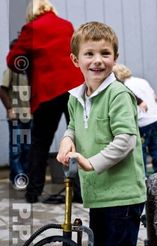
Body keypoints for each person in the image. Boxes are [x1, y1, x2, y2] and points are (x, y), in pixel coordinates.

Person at [57, 21, 146, 246]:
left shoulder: (118, 95)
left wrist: (91, 162)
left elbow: (126, 141)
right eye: (90, 54)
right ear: (75, 60)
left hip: (122, 195)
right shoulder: (75, 97)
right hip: (99, 195)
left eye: (105, 54)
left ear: (115, 58)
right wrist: (67, 139)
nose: (98, 60)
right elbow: (73, 126)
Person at [7, 0, 84, 203]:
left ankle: (33, 193)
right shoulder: (66, 25)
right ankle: (79, 193)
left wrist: (29, 62)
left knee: (40, 144)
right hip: (74, 89)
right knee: (78, 139)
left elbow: (12, 60)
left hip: (47, 92)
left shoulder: (31, 28)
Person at [113, 63, 157, 176]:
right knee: (156, 148)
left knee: (141, 151)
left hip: (143, 122)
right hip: (155, 119)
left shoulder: (125, 86)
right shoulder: (142, 81)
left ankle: (143, 177)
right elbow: (154, 97)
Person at [0, 39, 32, 190]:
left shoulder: (30, 70)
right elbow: (2, 89)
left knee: (27, 148)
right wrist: (9, 108)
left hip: (29, 115)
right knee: (16, 148)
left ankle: (19, 176)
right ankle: (19, 177)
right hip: (16, 116)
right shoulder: (11, 70)